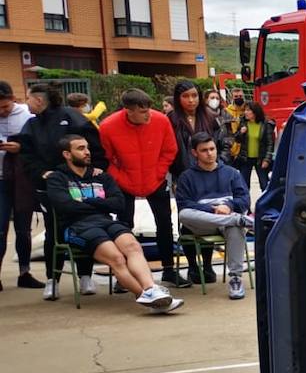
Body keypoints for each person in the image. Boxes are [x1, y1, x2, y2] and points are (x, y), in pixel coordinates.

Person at [44, 135, 182, 312]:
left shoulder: (101, 177)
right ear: (67, 154)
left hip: (106, 221)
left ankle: (152, 290)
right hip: (77, 226)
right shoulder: (57, 178)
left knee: (133, 246)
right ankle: (146, 297)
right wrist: (99, 203)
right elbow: (65, 206)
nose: (87, 152)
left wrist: (85, 201)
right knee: (116, 257)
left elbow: (118, 204)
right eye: (80, 148)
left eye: (87, 147)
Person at [15, 82, 107, 300]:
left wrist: (95, 170)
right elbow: (27, 156)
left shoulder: (74, 117)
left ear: (39, 99)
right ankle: (52, 280)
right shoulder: (31, 125)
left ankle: (86, 276)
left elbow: (95, 148)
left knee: (86, 227)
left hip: (81, 185)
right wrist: (42, 173)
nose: (27, 103)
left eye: (28, 98)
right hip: (49, 188)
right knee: (52, 233)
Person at [99, 88, 182, 290]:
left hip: (155, 179)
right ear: (128, 110)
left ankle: (169, 269)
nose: (148, 115)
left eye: (149, 110)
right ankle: (124, 276)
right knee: (124, 226)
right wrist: (120, 178)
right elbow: (105, 159)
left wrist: (159, 173)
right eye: (142, 112)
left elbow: (170, 150)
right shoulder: (108, 126)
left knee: (165, 223)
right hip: (124, 182)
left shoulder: (161, 121)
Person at [176, 132, 251, 300]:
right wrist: (213, 209)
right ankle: (237, 220)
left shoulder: (232, 173)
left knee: (235, 227)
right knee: (184, 215)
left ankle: (236, 279)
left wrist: (229, 206)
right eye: (204, 150)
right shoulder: (186, 177)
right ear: (194, 153)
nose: (210, 153)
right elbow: (184, 204)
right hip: (204, 222)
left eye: (212, 149)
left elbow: (245, 200)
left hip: (227, 221)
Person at [168, 80, 222, 285]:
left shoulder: (210, 117)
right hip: (183, 177)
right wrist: (175, 177)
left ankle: (207, 265)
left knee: (208, 215)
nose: (191, 100)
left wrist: (219, 168)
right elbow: (170, 151)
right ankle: (192, 266)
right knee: (188, 219)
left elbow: (222, 144)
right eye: (185, 96)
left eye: (194, 96)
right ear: (178, 98)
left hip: (210, 175)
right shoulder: (171, 120)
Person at [0, 81, 39, 291]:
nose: (2, 112)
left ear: (13, 99)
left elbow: (38, 144)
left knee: (23, 229)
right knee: (0, 228)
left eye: (5, 107)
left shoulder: (27, 115)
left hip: (22, 179)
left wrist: (20, 147)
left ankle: (25, 272)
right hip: (0, 180)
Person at [232, 102, 275, 189]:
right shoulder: (243, 123)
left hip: (260, 158)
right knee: (243, 185)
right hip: (245, 158)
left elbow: (270, 143)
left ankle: (266, 202)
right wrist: (241, 132)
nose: (246, 112)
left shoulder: (265, 124)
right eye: (245, 110)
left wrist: (267, 159)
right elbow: (236, 139)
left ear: (255, 112)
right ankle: (244, 202)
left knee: (264, 185)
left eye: (248, 110)